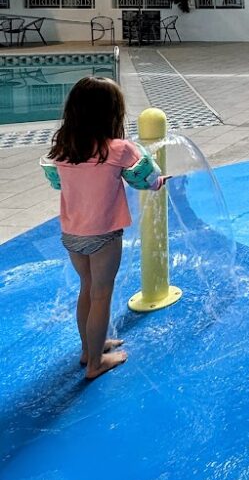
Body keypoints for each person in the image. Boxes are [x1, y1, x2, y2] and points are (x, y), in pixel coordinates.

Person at [41, 76, 167, 380]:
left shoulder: (63, 149)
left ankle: (89, 349)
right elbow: (146, 177)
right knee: (101, 295)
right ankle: (96, 363)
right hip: (103, 236)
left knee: (87, 289)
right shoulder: (119, 150)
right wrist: (159, 182)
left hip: (72, 235)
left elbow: (58, 181)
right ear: (112, 114)